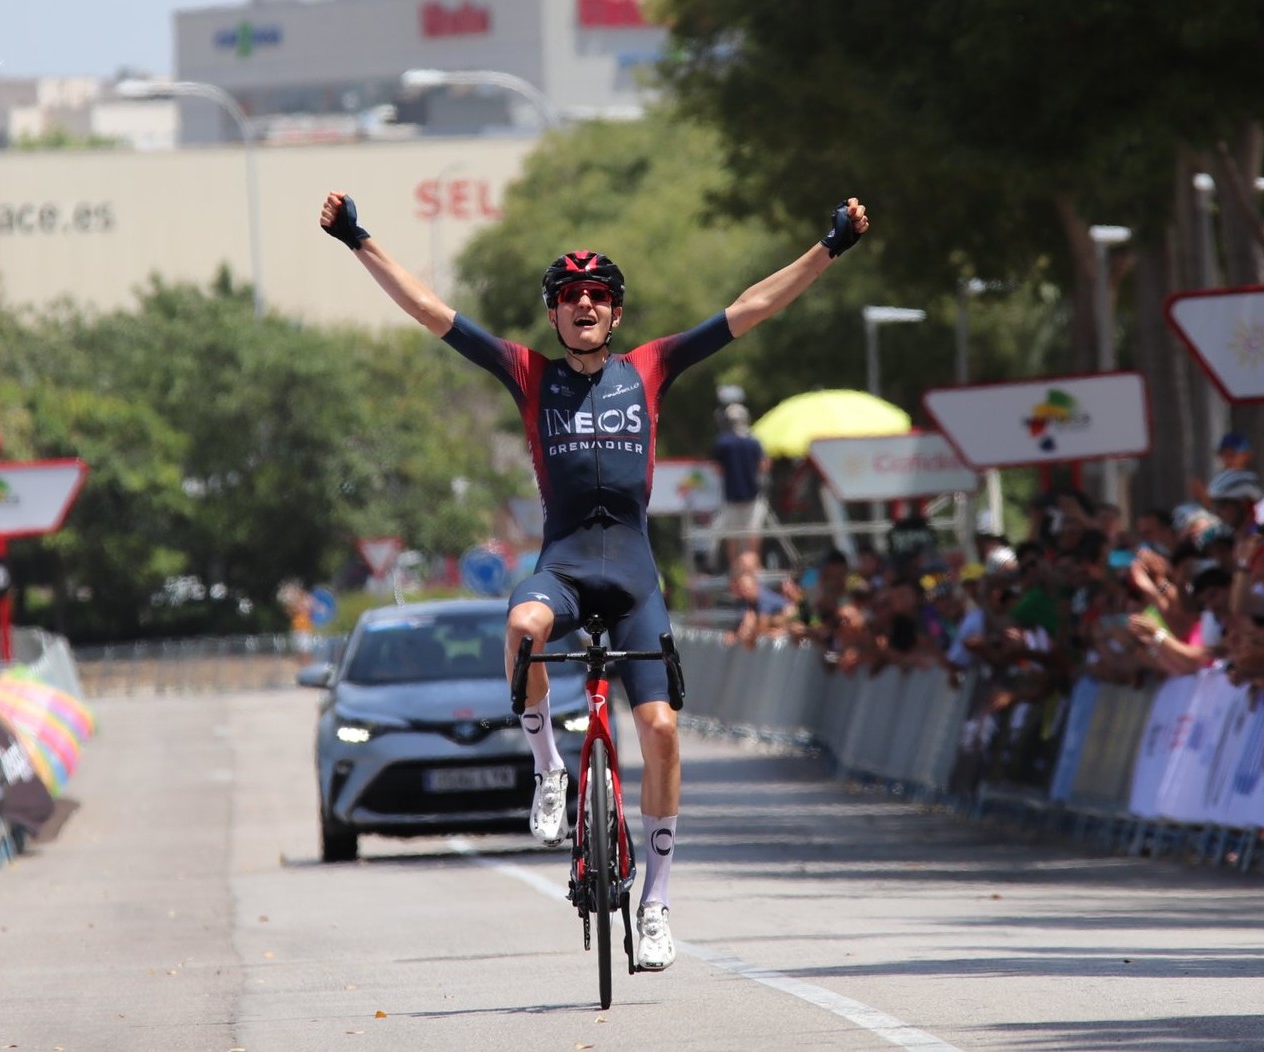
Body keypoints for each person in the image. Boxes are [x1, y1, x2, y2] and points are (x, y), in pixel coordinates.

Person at [320, 187, 871, 971]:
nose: (583, 303)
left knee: (664, 732)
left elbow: (751, 307)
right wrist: (358, 239)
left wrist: (830, 247)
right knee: (521, 629)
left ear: (615, 313)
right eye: (570, 296)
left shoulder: (651, 367)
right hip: (567, 569)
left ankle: (657, 903)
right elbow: (430, 309)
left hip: (637, 578)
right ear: (554, 314)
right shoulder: (527, 373)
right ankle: (548, 773)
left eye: (597, 295)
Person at [711, 403, 767, 568]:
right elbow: (763, 465)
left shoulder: (723, 442)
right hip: (753, 494)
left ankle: (735, 567)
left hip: (731, 495)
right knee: (753, 532)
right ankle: (753, 566)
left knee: (733, 534)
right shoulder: (753, 442)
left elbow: (717, 469)